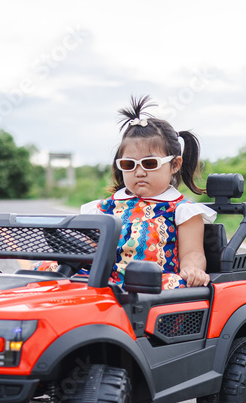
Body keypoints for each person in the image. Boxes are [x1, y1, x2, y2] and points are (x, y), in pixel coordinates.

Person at [81, 95, 217, 289]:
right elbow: (88, 250)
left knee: (172, 283)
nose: (139, 172)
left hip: (153, 286)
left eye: (150, 163)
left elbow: (192, 253)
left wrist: (192, 269)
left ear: (175, 164)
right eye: (129, 164)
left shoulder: (182, 211)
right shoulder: (104, 208)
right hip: (105, 283)